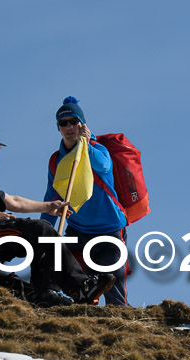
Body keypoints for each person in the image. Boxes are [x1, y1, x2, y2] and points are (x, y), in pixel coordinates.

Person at [0, 125, 115, 307]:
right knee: (40, 229)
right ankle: (73, 288)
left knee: (39, 232)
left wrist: (49, 207)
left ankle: (51, 290)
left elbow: (14, 202)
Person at [41, 97, 129, 306]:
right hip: (78, 231)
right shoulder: (56, 160)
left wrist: (87, 145)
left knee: (112, 284)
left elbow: (104, 167)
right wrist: (46, 231)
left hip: (109, 230)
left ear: (83, 125)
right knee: (77, 285)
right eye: (64, 123)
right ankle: (85, 323)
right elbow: (52, 196)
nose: (69, 127)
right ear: (58, 128)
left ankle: (121, 326)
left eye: (74, 122)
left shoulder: (97, 150)